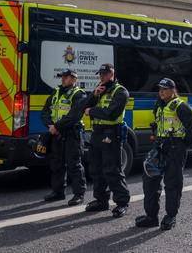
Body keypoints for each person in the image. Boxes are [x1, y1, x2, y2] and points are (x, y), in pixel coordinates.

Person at [135, 78, 192, 231]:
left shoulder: (182, 106)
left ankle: (170, 216)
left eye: (164, 89)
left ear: (173, 90)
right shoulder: (159, 105)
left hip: (175, 149)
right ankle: (151, 217)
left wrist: (180, 145)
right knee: (149, 180)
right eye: (160, 89)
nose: (161, 91)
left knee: (172, 184)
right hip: (160, 147)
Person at [83, 63, 131, 218]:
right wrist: (93, 95)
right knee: (96, 169)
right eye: (100, 74)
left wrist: (92, 111)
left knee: (112, 169)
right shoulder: (100, 90)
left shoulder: (121, 92)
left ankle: (122, 202)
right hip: (97, 133)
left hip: (111, 134)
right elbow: (82, 106)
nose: (101, 77)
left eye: (104, 74)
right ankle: (101, 201)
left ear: (112, 74)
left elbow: (110, 113)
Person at [40, 69, 87, 206]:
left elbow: (74, 116)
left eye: (66, 77)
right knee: (56, 163)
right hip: (56, 133)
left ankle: (79, 194)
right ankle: (58, 192)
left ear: (74, 79)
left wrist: (57, 127)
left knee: (74, 164)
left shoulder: (79, 94)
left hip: (71, 133)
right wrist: (50, 125)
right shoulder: (56, 92)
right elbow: (45, 111)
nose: (63, 79)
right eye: (62, 77)